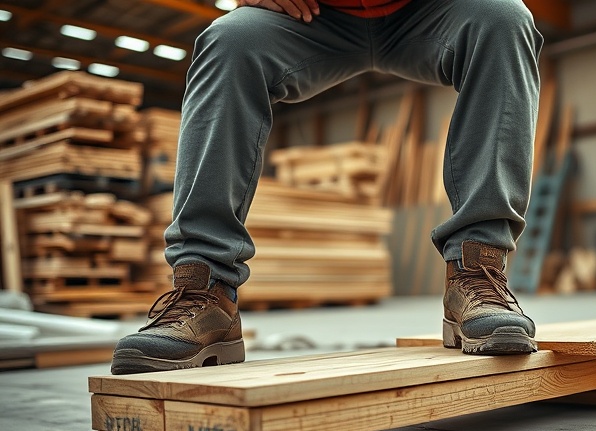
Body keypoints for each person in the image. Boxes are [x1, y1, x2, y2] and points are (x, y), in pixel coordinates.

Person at [110, 0, 544, 375]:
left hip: (426, 13)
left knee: (503, 18)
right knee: (229, 41)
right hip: (317, 17)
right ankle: (205, 292)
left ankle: (475, 272)